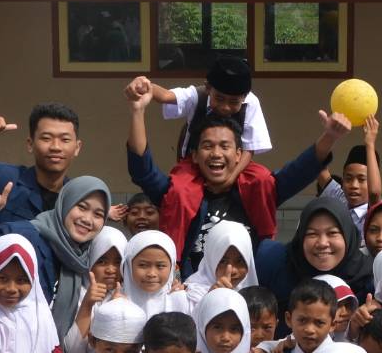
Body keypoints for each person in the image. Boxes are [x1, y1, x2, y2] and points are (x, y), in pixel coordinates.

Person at [125, 80, 350, 275]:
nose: (216, 154)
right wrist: (137, 111)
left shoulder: (257, 189)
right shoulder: (177, 193)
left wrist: (330, 137)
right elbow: (143, 171)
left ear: (239, 155)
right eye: (207, 146)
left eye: (225, 146)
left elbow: (300, 171)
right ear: (193, 155)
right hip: (190, 293)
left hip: (248, 295)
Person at [0, 176, 112, 353]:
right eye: (82, 207)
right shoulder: (26, 238)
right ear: (65, 202)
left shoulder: (82, 260)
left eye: (98, 214)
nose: (87, 219)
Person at [130, 55, 273, 158]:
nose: (225, 107)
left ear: (245, 96)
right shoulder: (197, 96)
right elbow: (166, 96)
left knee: (262, 180)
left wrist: (229, 180)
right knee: (180, 187)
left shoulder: (251, 103)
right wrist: (144, 85)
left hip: (233, 168)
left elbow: (249, 149)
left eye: (234, 102)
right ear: (208, 88)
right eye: (219, 98)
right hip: (193, 166)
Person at [253, 196, 375, 312]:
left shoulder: (369, 281)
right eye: (312, 234)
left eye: (332, 233)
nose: (322, 243)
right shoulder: (275, 266)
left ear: (348, 236)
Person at [65, 225, 130, 353]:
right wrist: (87, 305)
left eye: (118, 261)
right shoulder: (76, 293)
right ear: (90, 260)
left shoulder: (129, 294)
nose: (111, 270)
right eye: (101, 261)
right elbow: (73, 352)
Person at [317, 118, 382, 236]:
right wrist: (330, 135)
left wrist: (370, 144)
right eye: (348, 179)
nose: (354, 185)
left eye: (362, 179)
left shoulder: (375, 210)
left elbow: (374, 193)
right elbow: (318, 165)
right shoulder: (340, 199)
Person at [183, 220, 257, 308]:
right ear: (211, 260)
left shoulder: (256, 298)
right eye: (222, 261)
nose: (232, 270)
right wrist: (210, 301)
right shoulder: (190, 298)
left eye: (240, 261)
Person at [122, 230, 191, 317]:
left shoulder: (181, 302)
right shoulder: (115, 301)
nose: (151, 274)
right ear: (129, 265)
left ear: (172, 267)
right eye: (143, 265)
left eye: (160, 266)